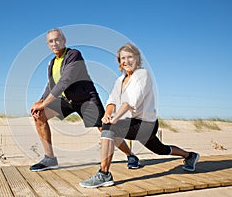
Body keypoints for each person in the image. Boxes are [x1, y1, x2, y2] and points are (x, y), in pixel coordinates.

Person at [79, 43, 200, 188]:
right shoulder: (120, 80)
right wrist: (107, 114)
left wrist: (114, 120)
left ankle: (104, 174)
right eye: (123, 58)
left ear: (137, 59)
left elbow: (131, 101)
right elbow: (111, 101)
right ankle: (189, 156)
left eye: (130, 57)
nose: (127, 61)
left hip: (146, 124)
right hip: (132, 123)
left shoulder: (142, 75)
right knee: (160, 149)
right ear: (119, 61)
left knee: (109, 128)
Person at [30, 29, 136, 171]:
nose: (54, 43)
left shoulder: (74, 55)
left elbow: (65, 81)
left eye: (57, 40)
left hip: (86, 100)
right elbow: (51, 84)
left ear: (63, 40)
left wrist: (44, 103)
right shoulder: (51, 63)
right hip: (67, 100)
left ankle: (130, 155)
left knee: (104, 129)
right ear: (48, 44)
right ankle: (50, 159)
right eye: (51, 41)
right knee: (39, 116)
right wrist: (40, 101)